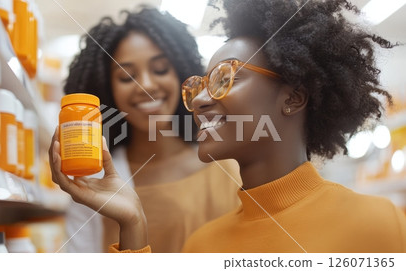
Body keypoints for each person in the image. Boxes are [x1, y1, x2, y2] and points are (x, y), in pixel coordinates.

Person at [50, 0, 406, 253]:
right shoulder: (203, 245)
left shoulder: (382, 224)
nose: (201, 100)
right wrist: (132, 227)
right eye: (201, 85)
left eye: (225, 78)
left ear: (294, 97)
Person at [60, 7, 241, 253]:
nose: (145, 85)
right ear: (106, 88)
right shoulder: (93, 182)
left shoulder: (228, 168)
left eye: (160, 69)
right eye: (126, 77)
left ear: (181, 74)